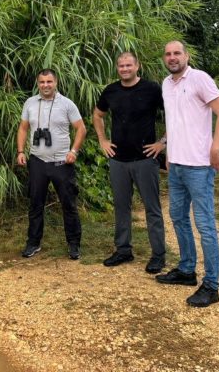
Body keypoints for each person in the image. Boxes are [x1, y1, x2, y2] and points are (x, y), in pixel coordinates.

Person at [155, 41, 219, 308]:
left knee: (205, 225)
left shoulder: (200, 78)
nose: (172, 57)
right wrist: (166, 147)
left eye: (177, 53)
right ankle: (187, 270)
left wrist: (216, 148)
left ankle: (211, 286)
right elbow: (175, 121)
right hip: (176, 166)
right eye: (168, 54)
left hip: (199, 167)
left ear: (187, 55)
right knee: (177, 217)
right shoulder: (167, 84)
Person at [93, 52, 167, 272]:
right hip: (118, 160)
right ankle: (123, 250)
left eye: (128, 65)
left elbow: (174, 114)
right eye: (121, 66)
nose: (124, 69)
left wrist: (162, 142)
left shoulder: (152, 89)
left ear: (138, 66)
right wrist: (102, 140)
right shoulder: (111, 91)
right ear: (117, 68)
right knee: (121, 207)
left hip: (145, 159)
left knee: (152, 209)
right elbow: (97, 115)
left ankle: (158, 255)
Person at [16, 69, 86, 260]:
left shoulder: (67, 104)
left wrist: (74, 151)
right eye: (42, 82)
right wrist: (21, 151)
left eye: (49, 82)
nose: (45, 85)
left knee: (68, 204)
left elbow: (81, 128)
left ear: (56, 82)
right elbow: (23, 128)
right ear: (37, 83)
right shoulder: (30, 103)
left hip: (61, 162)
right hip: (37, 161)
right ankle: (33, 243)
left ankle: (73, 244)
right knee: (35, 204)